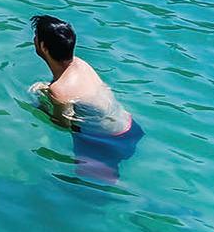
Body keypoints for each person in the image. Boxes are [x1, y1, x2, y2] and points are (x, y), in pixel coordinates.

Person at [26, 14, 143, 180]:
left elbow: (62, 124)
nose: (34, 40)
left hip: (105, 141)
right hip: (129, 126)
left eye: (36, 37)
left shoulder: (59, 91)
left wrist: (38, 103)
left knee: (95, 188)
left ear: (43, 46)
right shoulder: (80, 64)